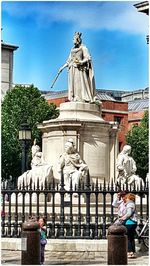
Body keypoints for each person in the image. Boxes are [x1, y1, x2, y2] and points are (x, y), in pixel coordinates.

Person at [58, 32, 96, 103]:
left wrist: (81, 62)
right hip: (72, 68)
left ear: (77, 39)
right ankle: (74, 97)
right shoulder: (72, 49)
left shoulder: (83, 48)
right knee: (73, 85)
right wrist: (62, 68)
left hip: (79, 69)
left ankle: (80, 98)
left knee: (79, 84)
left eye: (73, 39)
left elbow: (88, 58)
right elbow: (69, 61)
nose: (72, 40)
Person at [119, 193, 138, 259]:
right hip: (133, 223)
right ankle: (133, 253)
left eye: (126, 198)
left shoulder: (130, 204)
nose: (125, 199)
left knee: (128, 238)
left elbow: (129, 213)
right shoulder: (132, 203)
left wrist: (122, 218)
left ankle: (129, 252)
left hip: (129, 223)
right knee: (131, 238)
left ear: (129, 198)